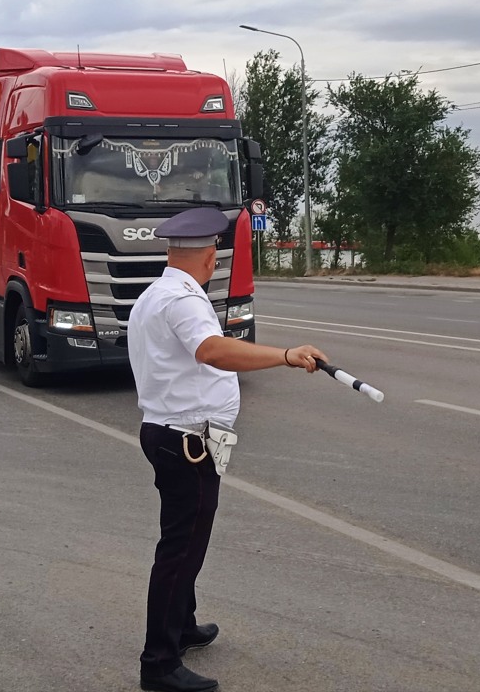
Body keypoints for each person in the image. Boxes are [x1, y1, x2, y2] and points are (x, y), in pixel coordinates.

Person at [128, 208, 328, 692]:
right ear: (210, 255)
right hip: (185, 441)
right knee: (181, 549)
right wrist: (285, 355)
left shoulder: (156, 293)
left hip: (172, 433)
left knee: (188, 539)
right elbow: (212, 351)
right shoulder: (183, 300)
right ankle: (159, 663)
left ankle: (184, 624)